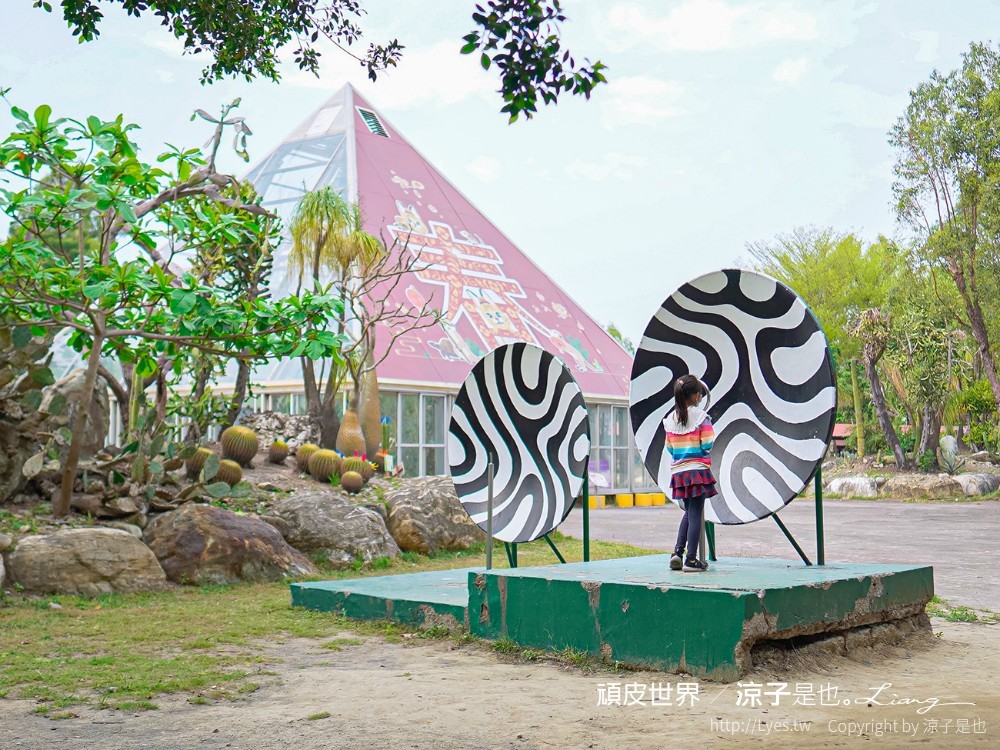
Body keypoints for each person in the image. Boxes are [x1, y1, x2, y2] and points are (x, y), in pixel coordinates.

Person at [663, 375, 717, 572]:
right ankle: (691, 560)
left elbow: (670, 448)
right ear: (696, 396)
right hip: (697, 471)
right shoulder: (702, 418)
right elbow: (708, 444)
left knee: (688, 512)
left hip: (679, 472)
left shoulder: (670, 420)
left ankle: (678, 552)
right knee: (696, 514)